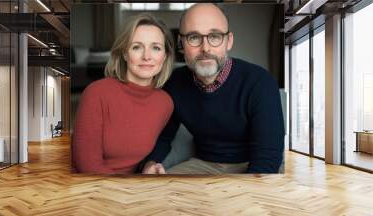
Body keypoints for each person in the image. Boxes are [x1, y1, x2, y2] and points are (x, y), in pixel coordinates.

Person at [142, 3, 285, 174]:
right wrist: (151, 162)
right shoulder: (174, 83)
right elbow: (164, 136)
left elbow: (267, 157)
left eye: (215, 36)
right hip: (202, 164)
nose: (205, 48)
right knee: (160, 192)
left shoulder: (260, 82)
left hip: (250, 166)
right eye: (194, 37)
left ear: (228, 41)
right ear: (182, 43)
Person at [72, 13, 175, 174]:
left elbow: (144, 152)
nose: (147, 56)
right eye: (137, 47)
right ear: (125, 54)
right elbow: (87, 167)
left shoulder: (165, 103)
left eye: (156, 48)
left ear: (165, 56)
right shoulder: (96, 93)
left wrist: (148, 166)